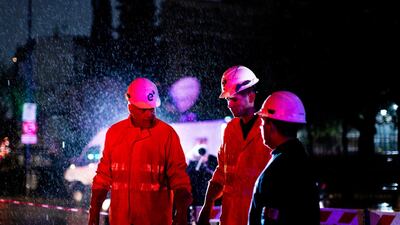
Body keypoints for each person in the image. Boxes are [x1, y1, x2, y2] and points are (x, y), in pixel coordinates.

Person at [88, 77, 193, 225]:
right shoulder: (114, 134)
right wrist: (93, 214)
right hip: (120, 220)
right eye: (143, 110)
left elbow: (180, 180)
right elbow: (102, 179)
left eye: (152, 109)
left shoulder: (167, 135)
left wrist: (181, 214)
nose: (149, 114)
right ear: (130, 107)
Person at [198, 66, 272, 225]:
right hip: (230, 219)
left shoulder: (268, 131)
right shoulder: (230, 130)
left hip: (255, 219)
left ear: (251, 96)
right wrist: (207, 204)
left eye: (234, 99)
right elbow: (221, 174)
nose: (229, 105)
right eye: (227, 100)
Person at [248, 91, 320, 225]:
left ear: (270, 126)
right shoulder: (303, 161)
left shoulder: (276, 169)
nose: (261, 127)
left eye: (263, 121)